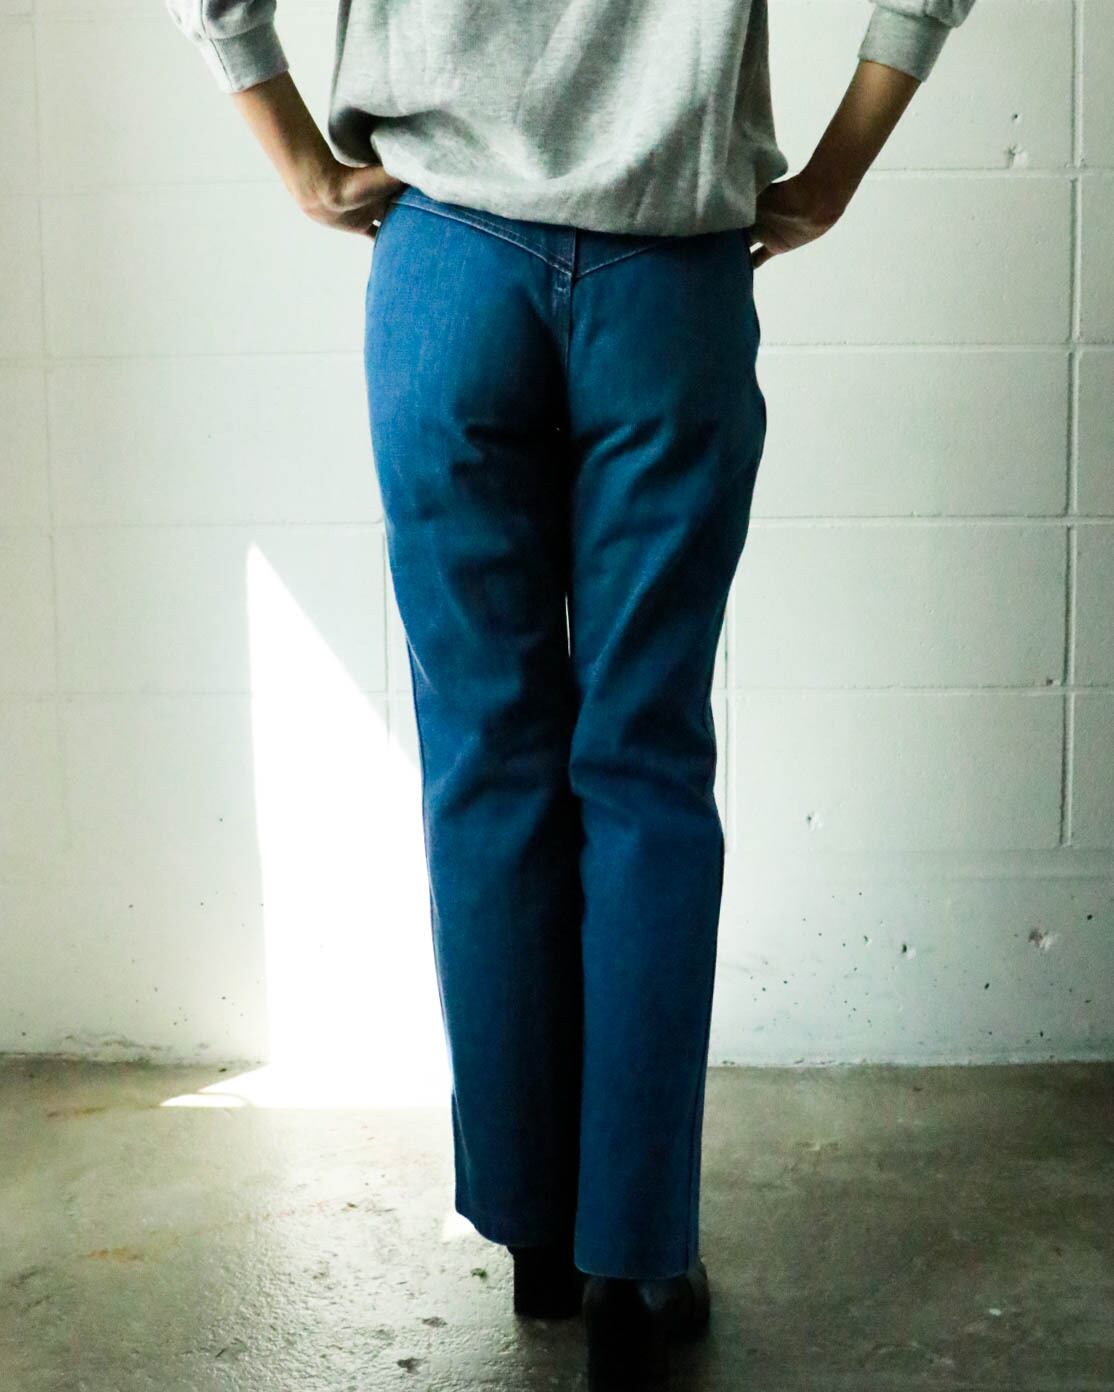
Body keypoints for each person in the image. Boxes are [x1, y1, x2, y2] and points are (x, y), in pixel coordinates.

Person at [165, 1, 977, 1386]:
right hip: (671, 282)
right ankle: (635, 1264)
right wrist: (833, 172)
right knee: (646, 767)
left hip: (448, 269)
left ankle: (536, 1230)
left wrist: (297, 154)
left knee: (487, 757)